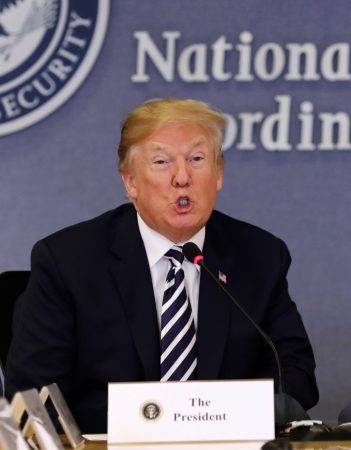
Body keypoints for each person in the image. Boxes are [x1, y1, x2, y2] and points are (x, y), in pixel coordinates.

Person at [5, 98, 318, 432]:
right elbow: (34, 394)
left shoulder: (260, 256)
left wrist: (222, 419)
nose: (182, 177)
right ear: (131, 182)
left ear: (218, 174)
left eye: (197, 159)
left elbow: (294, 373)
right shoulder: (69, 261)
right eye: (161, 162)